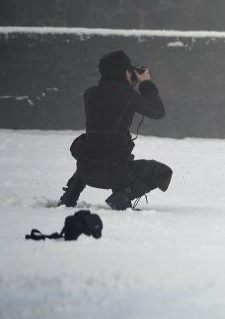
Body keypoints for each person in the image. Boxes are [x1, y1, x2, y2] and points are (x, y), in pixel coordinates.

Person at [57, 50, 172, 210]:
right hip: (116, 174)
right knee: (164, 172)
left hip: (87, 172)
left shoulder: (90, 94)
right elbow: (157, 112)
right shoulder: (128, 95)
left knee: (93, 150)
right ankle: (123, 195)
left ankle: (70, 196)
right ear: (126, 72)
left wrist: (128, 85)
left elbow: (112, 104)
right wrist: (145, 83)